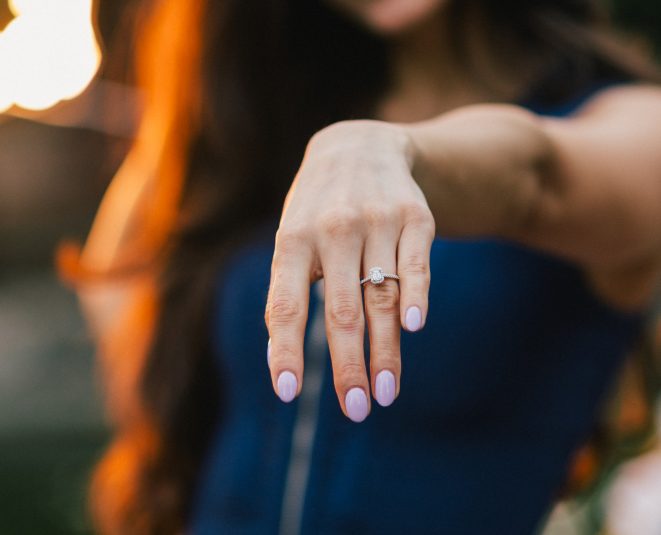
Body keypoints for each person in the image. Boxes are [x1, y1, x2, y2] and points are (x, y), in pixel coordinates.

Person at [72, 0, 661, 533]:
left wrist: (384, 152)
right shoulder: (257, 125)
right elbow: (119, 291)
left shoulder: (630, 122)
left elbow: (535, 177)